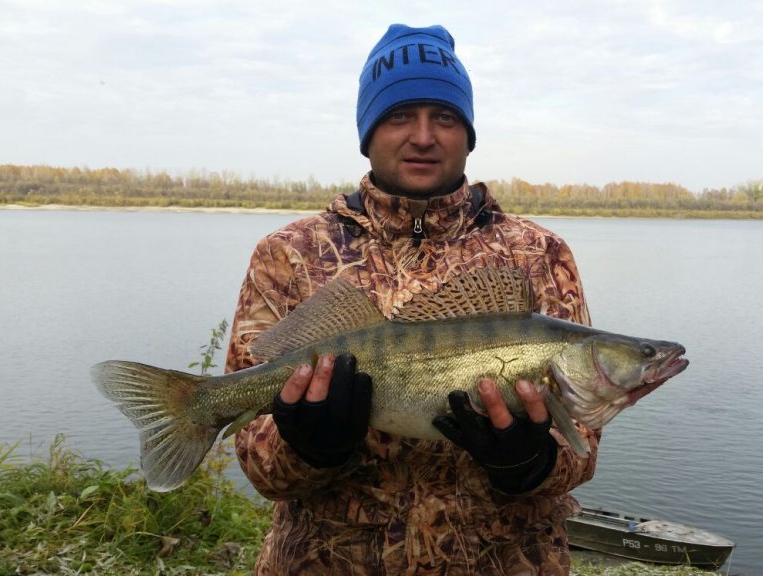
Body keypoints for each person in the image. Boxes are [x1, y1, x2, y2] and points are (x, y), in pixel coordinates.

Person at [226, 23, 599, 575]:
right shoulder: (290, 254)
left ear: (468, 134)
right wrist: (309, 448)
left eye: (445, 117)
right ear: (368, 131)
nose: (423, 136)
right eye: (400, 115)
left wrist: (530, 462)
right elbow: (261, 469)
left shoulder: (538, 253)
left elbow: (581, 449)